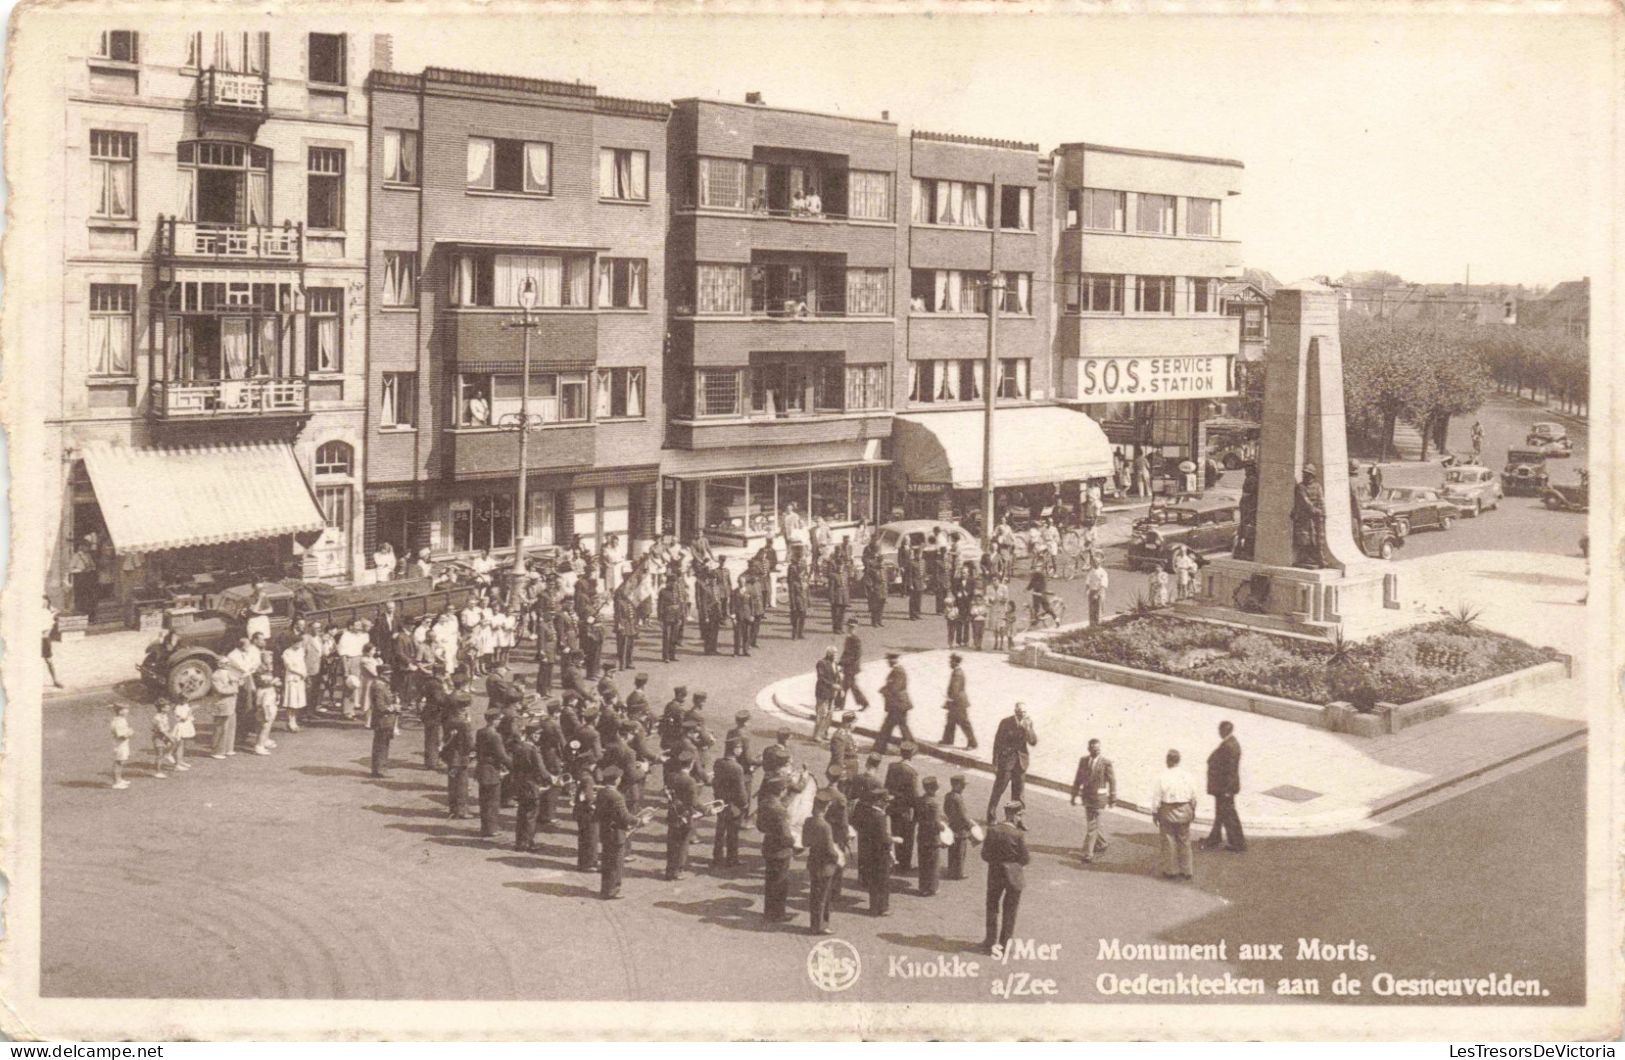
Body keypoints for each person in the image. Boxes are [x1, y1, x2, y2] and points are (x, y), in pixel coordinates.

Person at [980, 801, 1030, 954]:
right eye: (1019, 815)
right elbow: (1025, 858)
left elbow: (985, 855)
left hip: (995, 874)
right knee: (1010, 910)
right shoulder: (1019, 834)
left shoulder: (992, 830)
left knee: (992, 906)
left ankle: (990, 941)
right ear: (1014, 815)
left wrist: (997, 862)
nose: (1020, 819)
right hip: (1013, 876)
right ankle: (1005, 944)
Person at [1152, 748, 1199, 880]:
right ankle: (1187, 870)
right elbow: (1194, 796)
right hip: (1185, 809)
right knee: (1184, 840)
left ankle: (1171, 870)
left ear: (1168, 761)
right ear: (1178, 761)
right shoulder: (1188, 776)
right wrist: (1193, 810)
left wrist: (1155, 813)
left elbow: (1157, 797)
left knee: (1169, 840)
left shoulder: (1162, 776)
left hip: (1168, 811)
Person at [986, 703, 1037, 821]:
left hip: (1021, 762)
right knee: (999, 789)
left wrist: (1028, 729)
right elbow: (997, 743)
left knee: (1018, 793)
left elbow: (1033, 742)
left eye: (1024, 712)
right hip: (1006, 762)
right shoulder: (1005, 722)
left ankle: (1016, 819)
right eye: (1020, 712)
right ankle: (991, 815)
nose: (1022, 714)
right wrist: (995, 762)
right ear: (1015, 711)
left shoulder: (1028, 722)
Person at [1201, 720, 1246, 853]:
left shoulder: (1228, 746)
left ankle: (1238, 843)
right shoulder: (1231, 743)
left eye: (1220, 730)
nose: (1219, 733)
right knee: (1221, 814)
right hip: (1222, 787)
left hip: (1225, 788)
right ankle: (1214, 837)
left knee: (1229, 815)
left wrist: (1227, 790)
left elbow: (1230, 770)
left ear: (1224, 731)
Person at [1070, 737, 1117, 863]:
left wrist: (1113, 797)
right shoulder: (1083, 761)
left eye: (1098, 749)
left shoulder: (1106, 763)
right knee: (1094, 823)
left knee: (1092, 825)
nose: (1096, 751)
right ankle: (1102, 843)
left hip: (1099, 799)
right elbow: (1078, 778)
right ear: (1089, 749)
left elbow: (1112, 781)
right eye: (1094, 749)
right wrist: (1074, 795)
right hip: (1087, 797)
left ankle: (1088, 853)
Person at [595, 764, 638, 899]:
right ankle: (612, 890)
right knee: (616, 863)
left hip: (605, 831)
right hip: (616, 834)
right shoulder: (617, 796)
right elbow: (624, 816)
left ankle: (606, 888)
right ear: (616, 779)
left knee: (607, 862)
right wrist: (639, 821)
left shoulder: (602, 792)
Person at [758, 776, 797, 923]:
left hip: (768, 844)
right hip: (781, 850)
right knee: (781, 883)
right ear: (781, 791)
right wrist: (796, 843)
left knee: (770, 881)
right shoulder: (779, 810)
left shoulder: (764, 804)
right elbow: (786, 836)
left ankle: (769, 912)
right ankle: (779, 914)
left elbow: (760, 826)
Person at [803, 791, 841, 935]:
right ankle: (819, 926)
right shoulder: (825, 826)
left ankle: (816, 923)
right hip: (826, 866)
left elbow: (805, 842)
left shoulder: (808, 821)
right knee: (823, 897)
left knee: (815, 895)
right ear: (825, 807)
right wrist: (838, 858)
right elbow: (831, 851)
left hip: (813, 862)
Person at [853, 787, 894, 917]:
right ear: (879, 802)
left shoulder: (867, 813)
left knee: (874, 881)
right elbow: (884, 838)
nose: (887, 804)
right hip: (881, 853)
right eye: (885, 801)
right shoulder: (880, 816)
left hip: (870, 852)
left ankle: (874, 906)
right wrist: (894, 840)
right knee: (883, 880)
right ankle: (882, 907)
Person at [884, 742, 922, 870]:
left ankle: (898, 860)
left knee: (897, 833)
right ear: (911, 755)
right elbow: (914, 795)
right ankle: (905, 864)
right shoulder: (912, 772)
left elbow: (887, 787)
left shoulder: (892, 766)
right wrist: (918, 809)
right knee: (908, 837)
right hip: (906, 809)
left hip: (894, 806)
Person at [474, 710, 510, 838]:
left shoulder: (480, 732)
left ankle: (486, 827)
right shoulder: (495, 735)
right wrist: (514, 767)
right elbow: (502, 755)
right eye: (499, 719)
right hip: (492, 771)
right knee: (492, 801)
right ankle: (491, 829)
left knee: (484, 801)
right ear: (494, 720)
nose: (500, 722)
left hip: (481, 768)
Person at [711, 746, 748, 869]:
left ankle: (717, 857)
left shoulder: (718, 762)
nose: (741, 750)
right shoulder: (737, 768)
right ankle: (732, 858)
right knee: (733, 832)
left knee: (720, 831)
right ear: (735, 749)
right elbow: (741, 790)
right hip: (733, 804)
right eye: (739, 747)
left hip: (719, 801)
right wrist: (744, 803)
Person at [666, 751, 699, 880]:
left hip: (673, 813)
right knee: (683, 844)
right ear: (691, 764)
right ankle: (678, 870)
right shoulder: (690, 781)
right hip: (685, 815)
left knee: (672, 843)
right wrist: (707, 810)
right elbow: (694, 802)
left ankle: (669, 869)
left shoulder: (671, 776)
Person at [873, 653, 914, 755]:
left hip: (899, 704)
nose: (888, 662)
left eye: (889, 660)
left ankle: (879, 748)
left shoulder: (898, 672)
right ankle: (879, 748)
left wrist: (884, 690)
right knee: (892, 727)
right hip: (896, 705)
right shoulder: (896, 671)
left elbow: (895, 688)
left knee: (893, 727)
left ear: (894, 660)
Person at [940, 652, 977, 749]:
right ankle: (948, 740)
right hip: (956, 702)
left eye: (951, 662)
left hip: (958, 702)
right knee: (950, 721)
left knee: (964, 723)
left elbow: (955, 689)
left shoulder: (957, 673)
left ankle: (972, 743)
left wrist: (949, 700)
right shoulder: (957, 672)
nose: (949, 663)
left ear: (956, 662)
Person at [915, 775, 944, 896]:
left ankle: (923, 887)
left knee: (923, 863)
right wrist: (943, 828)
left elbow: (916, 817)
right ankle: (932, 887)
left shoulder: (920, 800)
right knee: (933, 863)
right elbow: (937, 823)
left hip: (922, 834)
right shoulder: (934, 803)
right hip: (932, 837)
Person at [944, 773, 973, 880]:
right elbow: (963, 816)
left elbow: (946, 810)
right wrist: (970, 826)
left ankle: (951, 870)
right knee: (960, 851)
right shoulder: (958, 798)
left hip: (952, 826)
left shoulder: (948, 796)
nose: (964, 787)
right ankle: (958, 873)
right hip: (960, 829)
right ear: (957, 785)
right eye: (962, 785)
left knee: (952, 850)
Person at [368, 685, 400, 777]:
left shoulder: (381, 686)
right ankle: (379, 770)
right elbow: (380, 706)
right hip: (382, 721)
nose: (389, 676)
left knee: (383, 745)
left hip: (383, 721)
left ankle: (379, 769)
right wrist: (394, 707)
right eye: (387, 674)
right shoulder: (379, 687)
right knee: (381, 746)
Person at [838, 620, 869, 709]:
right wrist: (841, 663)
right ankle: (863, 703)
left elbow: (856, 655)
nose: (850, 629)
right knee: (849, 686)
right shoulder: (849, 638)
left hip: (851, 667)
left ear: (855, 628)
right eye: (849, 627)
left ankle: (840, 704)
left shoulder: (855, 639)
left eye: (852, 627)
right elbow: (845, 652)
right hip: (848, 666)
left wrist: (844, 663)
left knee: (847, 686)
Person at [813, 646, 840, 742]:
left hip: (832, 693)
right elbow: (821, 678)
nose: (836, 655)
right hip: (823, 692)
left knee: (830, 714)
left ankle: (824, 732)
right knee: (822, 714)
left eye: (836, 653)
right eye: (834, 653)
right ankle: (816, 735)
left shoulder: (835, 664)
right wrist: (832, 685)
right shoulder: (821, 663)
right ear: (829, 654)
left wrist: (840, 688)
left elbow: (837, 677)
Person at [109, 703, 133, 789]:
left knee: (121, 762)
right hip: (119, 745)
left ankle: (119, 779)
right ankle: (116, 782)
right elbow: (121, 735)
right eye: (125, 709)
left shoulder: (122, 720)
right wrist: (130, 733)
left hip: (123, 744)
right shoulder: (117, 722)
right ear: (120, 711)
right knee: (118, 762)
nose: (127, 711)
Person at [149, 702, 176, 779]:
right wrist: (170, 737)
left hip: (164, 736)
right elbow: (161, 730)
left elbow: (166, 727)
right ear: (162, 708)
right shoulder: (157, 718)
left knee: (173, 743)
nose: (169, 708)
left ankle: (168, 754)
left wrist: (169, 736)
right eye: (167, 707)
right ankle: (158, 772)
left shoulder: (164, 716)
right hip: (159, 737)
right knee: (159, 755)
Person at [42, 597, 62, 688]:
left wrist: (53, 612)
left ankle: (55, 680)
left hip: (45, 640)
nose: (43, 603)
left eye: (45, 601)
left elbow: (50, 627)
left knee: (49, 661)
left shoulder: (48, 613)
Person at [786, 560, 808, 640]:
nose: (802, 576)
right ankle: (794, 634)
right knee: (795, 619)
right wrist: (793, 604)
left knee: (802, 618)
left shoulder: (804, 583)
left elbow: (807, 593)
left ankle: (800, 633)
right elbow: (791, 594)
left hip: (803, 602)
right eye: (801, 574)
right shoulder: (794, 583)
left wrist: (808, 602)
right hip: (797, 602)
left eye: (803, 574)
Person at [1086, 557, 1110, 624]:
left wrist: (1098, 594)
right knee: (1091, 609)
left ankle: (1098, 623)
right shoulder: (1091, 571)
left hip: (1099, 592)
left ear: (1099, 563)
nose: (1094, 563)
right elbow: (1088, 581)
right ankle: (1092, 624)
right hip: (1092, 591)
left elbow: (1103, 585)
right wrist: (1087, 590)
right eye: (1093, 562)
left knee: (1099, 609)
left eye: (1096, 562)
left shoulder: (1103, 572)